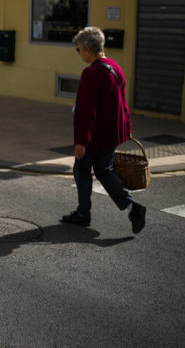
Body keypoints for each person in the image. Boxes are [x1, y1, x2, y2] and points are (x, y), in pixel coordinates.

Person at [62, 26, 146, 234]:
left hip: (94, 137)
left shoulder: (91, 73)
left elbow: (89, 111)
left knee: (82, 171)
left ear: (88, 48)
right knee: (104, 170)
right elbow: (122, 103)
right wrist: (126, 128)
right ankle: (133, 206)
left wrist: (82, 141)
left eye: (78, 49)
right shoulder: (115, 67)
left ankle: (83, 214)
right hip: (111, 134)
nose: (78, 53)